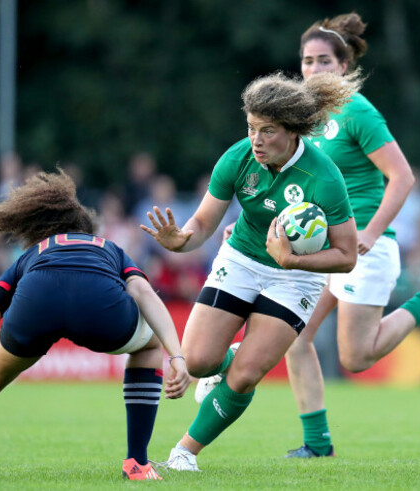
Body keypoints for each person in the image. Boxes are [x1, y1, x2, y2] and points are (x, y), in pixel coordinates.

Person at [0, 169, 191, 481]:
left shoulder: (33, 253)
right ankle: (137, 464)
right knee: (149, 345)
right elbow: (143, 293)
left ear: (41, 229)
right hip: (98, 304)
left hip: (37, 299)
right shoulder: (108, 247)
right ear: (88, 228)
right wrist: (175, 354)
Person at [274, 13, 420, 458]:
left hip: (364, 247)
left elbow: (402, 176)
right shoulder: (307, 118)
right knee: (295, 336)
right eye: (307, 61)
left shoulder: (357, 110)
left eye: (323, 61)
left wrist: (369, 231)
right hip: (327, 247)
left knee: (355, 358)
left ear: (345, 66)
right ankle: (317, 444)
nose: (313, 69)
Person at [140, 70, 361, 471]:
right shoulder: (238, 158)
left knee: (246, 375)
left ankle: (184, 452)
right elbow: (204, 223)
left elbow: (346, 255)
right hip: (241, 257)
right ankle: (227, 359)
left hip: (297, 276)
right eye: (251, 128)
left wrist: (292, 259)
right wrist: (181, 240)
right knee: (196, 363)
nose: (256, 140)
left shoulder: (325, 177)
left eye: (268, 131)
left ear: (294, 131)